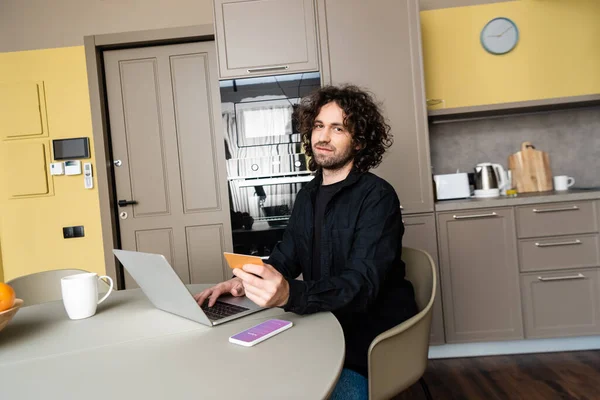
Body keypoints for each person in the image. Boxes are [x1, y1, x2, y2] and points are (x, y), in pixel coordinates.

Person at [194, 85, 418, 399]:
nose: (323, 137)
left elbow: (362, 286)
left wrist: (290, 293)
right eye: (318, 126)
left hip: (368, 339)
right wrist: (239, 283)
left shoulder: (377, 197)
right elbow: (285, 258)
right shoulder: (308, 194)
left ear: (360, 142)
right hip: (321, 323)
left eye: (338, 128)